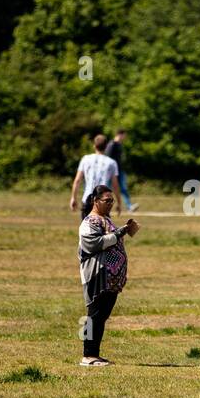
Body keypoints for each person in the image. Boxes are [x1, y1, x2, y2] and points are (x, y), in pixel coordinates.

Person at [78, 184, 139, 366]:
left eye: (112, 200)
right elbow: (93, 244)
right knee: (93, 316)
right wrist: (120, 233)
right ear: (95, 201)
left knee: (101, 317)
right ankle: (87, 356)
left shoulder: (106, 219)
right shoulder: (90, 222)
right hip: (97, 277)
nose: (110, 204)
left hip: (111, 278)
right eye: (107, 200)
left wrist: (125, 230)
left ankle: (94, 354)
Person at [69, 134, 120, 214]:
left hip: (88, 198)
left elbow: (77, 180)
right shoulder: (111, 163)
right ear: (106, 147)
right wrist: (119, 202)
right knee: (103, 226)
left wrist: (73, 198)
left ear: (94, 146)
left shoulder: (85, 159)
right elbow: (115, 185)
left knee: (86, 226)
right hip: (103, 201)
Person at [105, 128, 138, 211]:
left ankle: (129, 206)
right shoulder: (112, 144)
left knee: (123, 188)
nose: (125, 137)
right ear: (120, 134)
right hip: (111, 172)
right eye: (124, 135)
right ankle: (102, 206)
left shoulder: (119, 145)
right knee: (107, 189)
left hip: (120, 170)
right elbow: (107, 158)